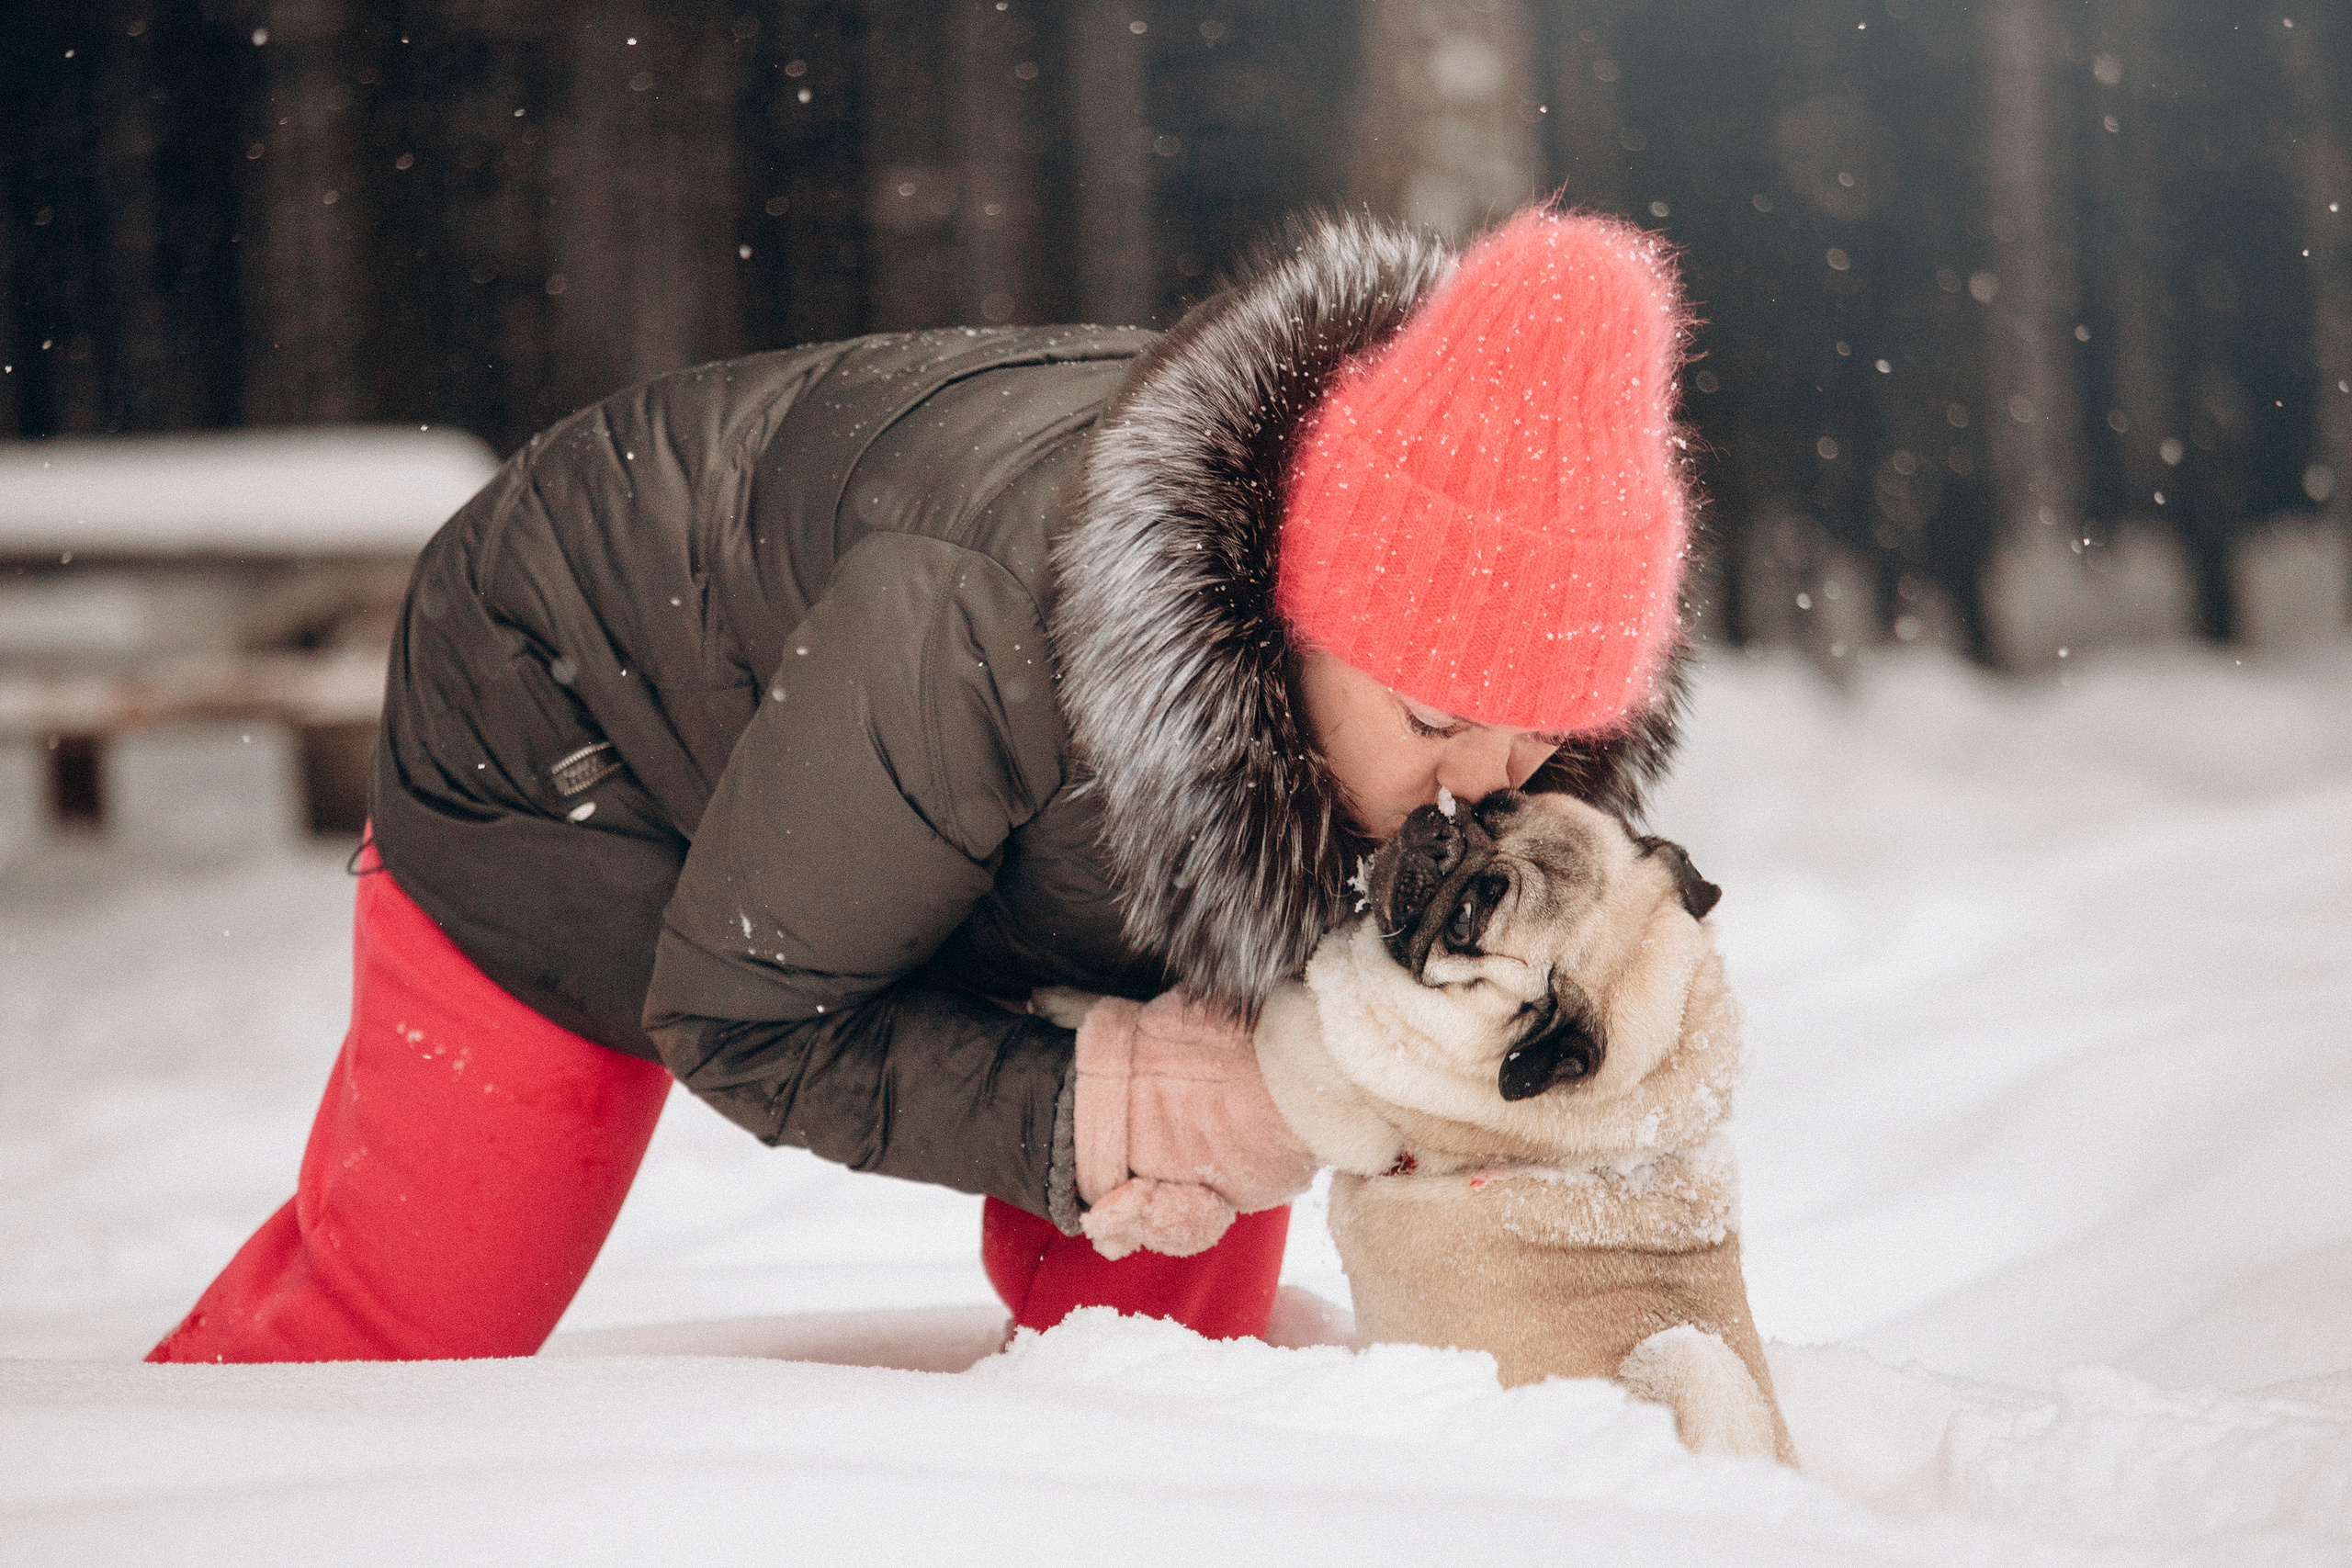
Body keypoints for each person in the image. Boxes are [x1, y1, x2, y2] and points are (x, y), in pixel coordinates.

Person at [148, 204, 1694, 1363]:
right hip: (576, 703)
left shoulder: (1440, 744)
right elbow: (744, 1017)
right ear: (1291, 617)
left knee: (1178, 1308)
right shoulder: (972, 638)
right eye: (1434, 715)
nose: (1480, 788)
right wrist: (1109, 1095)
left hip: (948, 794)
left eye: (1539, 728)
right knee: (425, 1312)